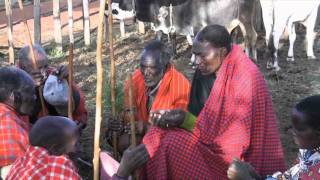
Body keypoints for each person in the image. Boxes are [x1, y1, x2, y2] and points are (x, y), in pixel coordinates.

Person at [142, 24, 286, 179]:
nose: (197, 61)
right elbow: (210, 126)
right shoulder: (216, 68)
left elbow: (233, 147)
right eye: (195, 55)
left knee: (171, 144)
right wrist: (183, 119)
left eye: (202, 56)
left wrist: (186, 123)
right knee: (158, 134)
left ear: (222, 52)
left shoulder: (244, 78)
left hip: (238, 166)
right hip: (216, 146)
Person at [108, 40, 190, 152]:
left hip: (166, 142)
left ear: (165, 67)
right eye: (143, 66)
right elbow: (128, 113)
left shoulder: (181, 86)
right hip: (140, 136)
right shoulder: (135, 80)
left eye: (152, 68)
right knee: (121, 141)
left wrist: (146, 128)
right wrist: (120, 123)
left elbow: (181, 132)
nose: (146, 73)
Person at [7, 116, 149, 180]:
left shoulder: (23, 161)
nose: (81, 149)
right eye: (76, 144)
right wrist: (122, 173)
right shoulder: (58, 170)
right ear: (56, 149)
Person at [228, 95, 320, 180]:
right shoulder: (310, 151)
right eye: (292, 127)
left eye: (300, 129)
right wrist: (255, 175)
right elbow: (289, 177)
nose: (293, 132)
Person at [17, 44, 87, 128]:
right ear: (24, 66)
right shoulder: (12, 79)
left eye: (45, 66)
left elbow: (77, 101)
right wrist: (29, 86)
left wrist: (66, 80)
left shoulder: (52, 73)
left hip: (57, 126)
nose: (43, 72)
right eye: (38, 68)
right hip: (28, 128)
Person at [0, 67, 35, 179]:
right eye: (31, 93)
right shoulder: (7, 122)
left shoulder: (8, 113)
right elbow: (23, 166)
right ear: (14, 96)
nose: (35, 98)